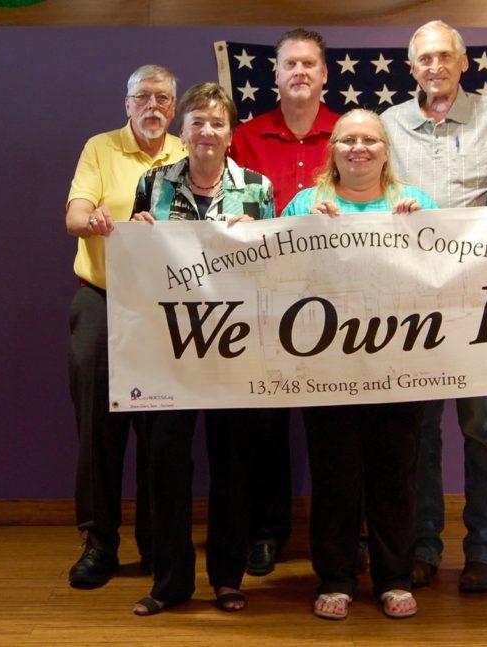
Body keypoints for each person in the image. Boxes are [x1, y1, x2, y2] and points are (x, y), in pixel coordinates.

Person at [381, 20, 487, 592]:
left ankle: (484, 550)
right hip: (411, 299)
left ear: (463, 62)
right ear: (411, 67)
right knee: (418, 431)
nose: (435, 67)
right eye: (424, 59)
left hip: (481, 299)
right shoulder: (391, 123)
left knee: (482, 428)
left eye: (445, 57)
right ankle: (422, 546)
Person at [283, 109, 437, 620]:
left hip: (400, 361)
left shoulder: (414, 202)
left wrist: (425, 230)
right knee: (335, 473)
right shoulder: (309, 202)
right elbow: (278, 277)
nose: (359, 148)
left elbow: (447, 275)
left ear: (386, 150)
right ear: (334, 149)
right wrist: (304, 230)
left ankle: (394, 576)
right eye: (348, 139)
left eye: (370, 140)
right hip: (327, 363)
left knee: (396, 473)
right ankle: (336, 576)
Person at [129, 82, 275, 616]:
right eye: (196, 122)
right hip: (169, 347)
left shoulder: (257, 188)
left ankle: (227, 577)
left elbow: (275, 271)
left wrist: (260, 234)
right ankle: (170, 581)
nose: (206, 132)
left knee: (234, 462)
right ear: (181, 130)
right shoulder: (153, 183)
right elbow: (141, 266)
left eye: (217, 122)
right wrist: (138, 229)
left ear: (230, 133)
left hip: (235, 345)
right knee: (164, 460)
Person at [65, 64, 185, 588]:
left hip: (165, 310)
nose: (153, 106)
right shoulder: (101, 148)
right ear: (127, 103)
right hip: (103, 300)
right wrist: (94, 220)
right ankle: (99, 543)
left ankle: (157, 544)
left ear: (174, 107)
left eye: (163, 97)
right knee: (99, 429)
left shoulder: (187, 152)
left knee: (161, 430)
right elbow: (73, 216)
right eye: (143, 97)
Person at [229, 27, 340, 577]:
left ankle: (345, 536)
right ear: (273, 76)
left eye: (308, 64)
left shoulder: (349, 134)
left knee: (337, 424)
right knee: (264, 422)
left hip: (341, 304)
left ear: (324, 74)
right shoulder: (244, 138)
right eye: (289, 64)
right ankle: (267, 532)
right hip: (264, 301)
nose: (299, 72)